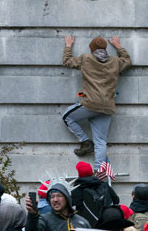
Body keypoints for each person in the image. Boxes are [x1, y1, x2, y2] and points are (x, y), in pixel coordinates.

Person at [62, 35, 131, 165]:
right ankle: (99, 172)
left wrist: (68, 46)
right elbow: (127, 60)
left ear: (91, 49)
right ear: (105, 48)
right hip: (107, 107)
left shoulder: (86, 59)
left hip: (90, 104)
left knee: (67, 116)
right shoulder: (115, 62)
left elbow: (67, 61)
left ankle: (85, 142)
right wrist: (118, 46)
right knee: (100, 141)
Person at [69, 162, 120, 228]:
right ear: (92, 172)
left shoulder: (76, 191)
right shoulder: (104, 185)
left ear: (79, 174)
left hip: (86, 226)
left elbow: (68, 206)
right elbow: (116, 200)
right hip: (105, 224)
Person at [24, 184, 90, 231]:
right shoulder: (45, 220)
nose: (55, 199)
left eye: (59, 196)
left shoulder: (82, 222)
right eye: (52, 197)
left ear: (67, 199)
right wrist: (32, 214)